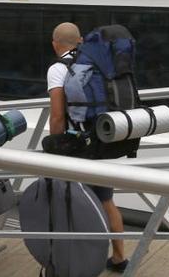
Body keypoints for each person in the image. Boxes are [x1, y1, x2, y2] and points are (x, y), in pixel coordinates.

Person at [46, 23, 129, 273]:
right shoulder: (95, 61)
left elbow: (58, 115)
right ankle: (118, 257)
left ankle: (77, 260)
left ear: (54, 44)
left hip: (77, 144)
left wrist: (55, 148)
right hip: (104, 135)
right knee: (105, 199)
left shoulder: (58, 68)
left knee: (69, 201)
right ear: (80, 40)